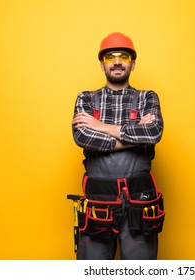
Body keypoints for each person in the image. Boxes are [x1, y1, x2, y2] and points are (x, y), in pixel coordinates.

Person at [71, 32, 165, 260]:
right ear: (102, 64)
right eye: (109, 57)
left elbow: (153, 132)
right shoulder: (85, 98)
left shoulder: (147, 97)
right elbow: (83, 138)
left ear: (132, 64)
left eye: (123, 56)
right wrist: (134, 133)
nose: (116, 62)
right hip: (98, 200)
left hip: (139, 198)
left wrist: (100, 125)